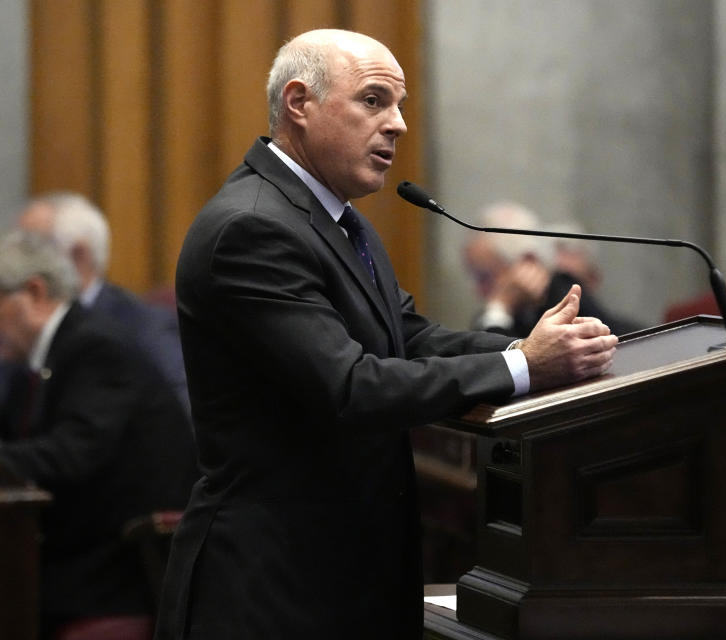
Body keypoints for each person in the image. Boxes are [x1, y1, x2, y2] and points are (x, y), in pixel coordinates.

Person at [154, 29, 618, 639]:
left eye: (399, 106)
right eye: (374, 101)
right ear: (299, 103)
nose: (397, 125)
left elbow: (407, 335)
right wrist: (524, 367)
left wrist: (534, 349)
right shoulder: (253, 228)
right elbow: (350, 387)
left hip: (344, 573)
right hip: (272, 587)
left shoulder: (340, 221)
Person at [0, 230, 197, 637]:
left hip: (117, 568)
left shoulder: (96, 347)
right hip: (67, 551)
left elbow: (70, 454)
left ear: (34, 293)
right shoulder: (32, 366)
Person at [16, 192, 189, 410]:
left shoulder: (144, 328)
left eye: (29, 251)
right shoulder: (23, 330)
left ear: (78, 255)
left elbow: (181, 418)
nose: (17, 266)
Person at [463, 202, 641, 337]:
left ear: (527, 263)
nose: (479, 290)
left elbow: (502, 370)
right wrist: (499, 310)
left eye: (484, 277)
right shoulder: (505, 311)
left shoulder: (568, 296)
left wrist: (500, 308)